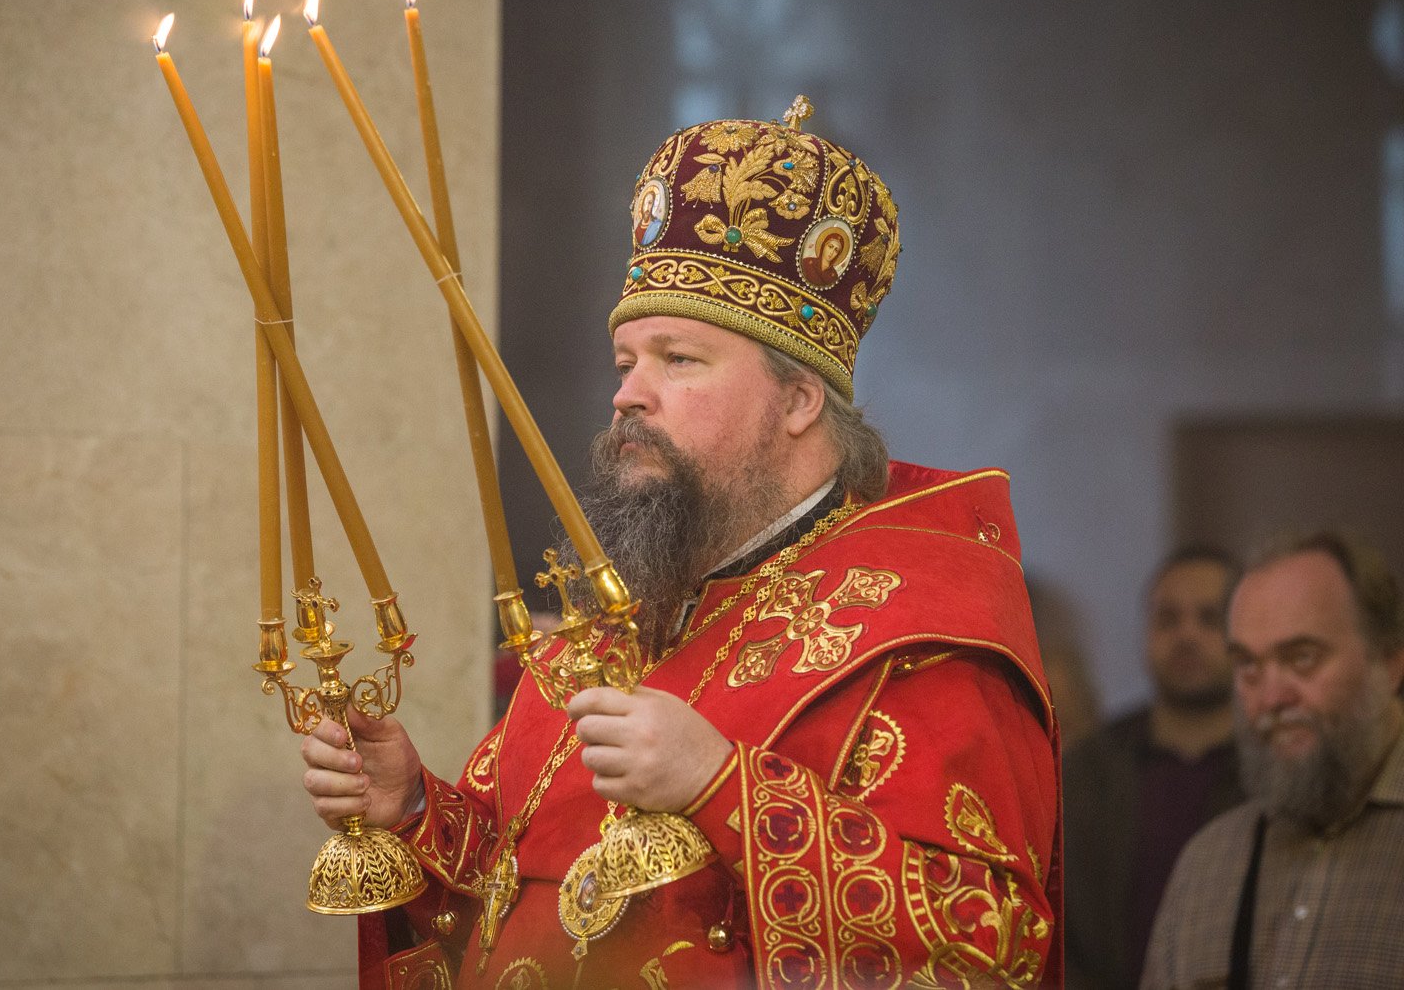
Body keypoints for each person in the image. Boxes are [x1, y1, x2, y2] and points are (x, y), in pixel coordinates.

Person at [302, 100, 1062, 988]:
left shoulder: (918, 627)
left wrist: (720, 784)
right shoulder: (615, 625)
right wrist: (413, 808)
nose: (628, 394)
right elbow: (529, 899)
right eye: (626, 362)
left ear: (798, 399)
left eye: (679, 359)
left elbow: (986, 939)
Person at [1142, 532, 1404, 989]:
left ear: (1388, 662)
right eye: (1248, 665)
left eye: (1302, 658)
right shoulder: (1208, 865)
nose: (1270, 698)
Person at [1063, 547, 1244, 990]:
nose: (1187, 635)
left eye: (1209, 619)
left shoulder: (1276, 770)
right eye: (1168, 619)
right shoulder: (1086, 770)